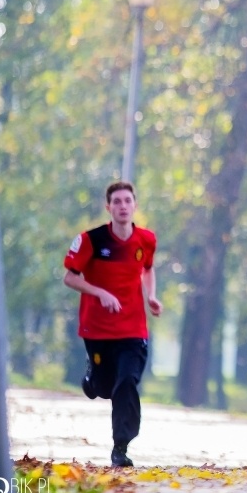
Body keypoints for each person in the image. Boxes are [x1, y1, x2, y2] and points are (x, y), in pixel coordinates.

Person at [62, 181, 162, 467]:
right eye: (116, 201)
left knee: (127, 382)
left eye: (127, 200)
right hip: (97, 329)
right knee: (104, 388)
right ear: (108, 207)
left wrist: (151, 296)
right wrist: (99, 292)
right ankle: (93, 375)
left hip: (133, 329)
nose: (122, 206)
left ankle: (121, 446)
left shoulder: (146, 240)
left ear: (135, 205)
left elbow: (147, 269)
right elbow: (69, 277)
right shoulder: (91, 240)